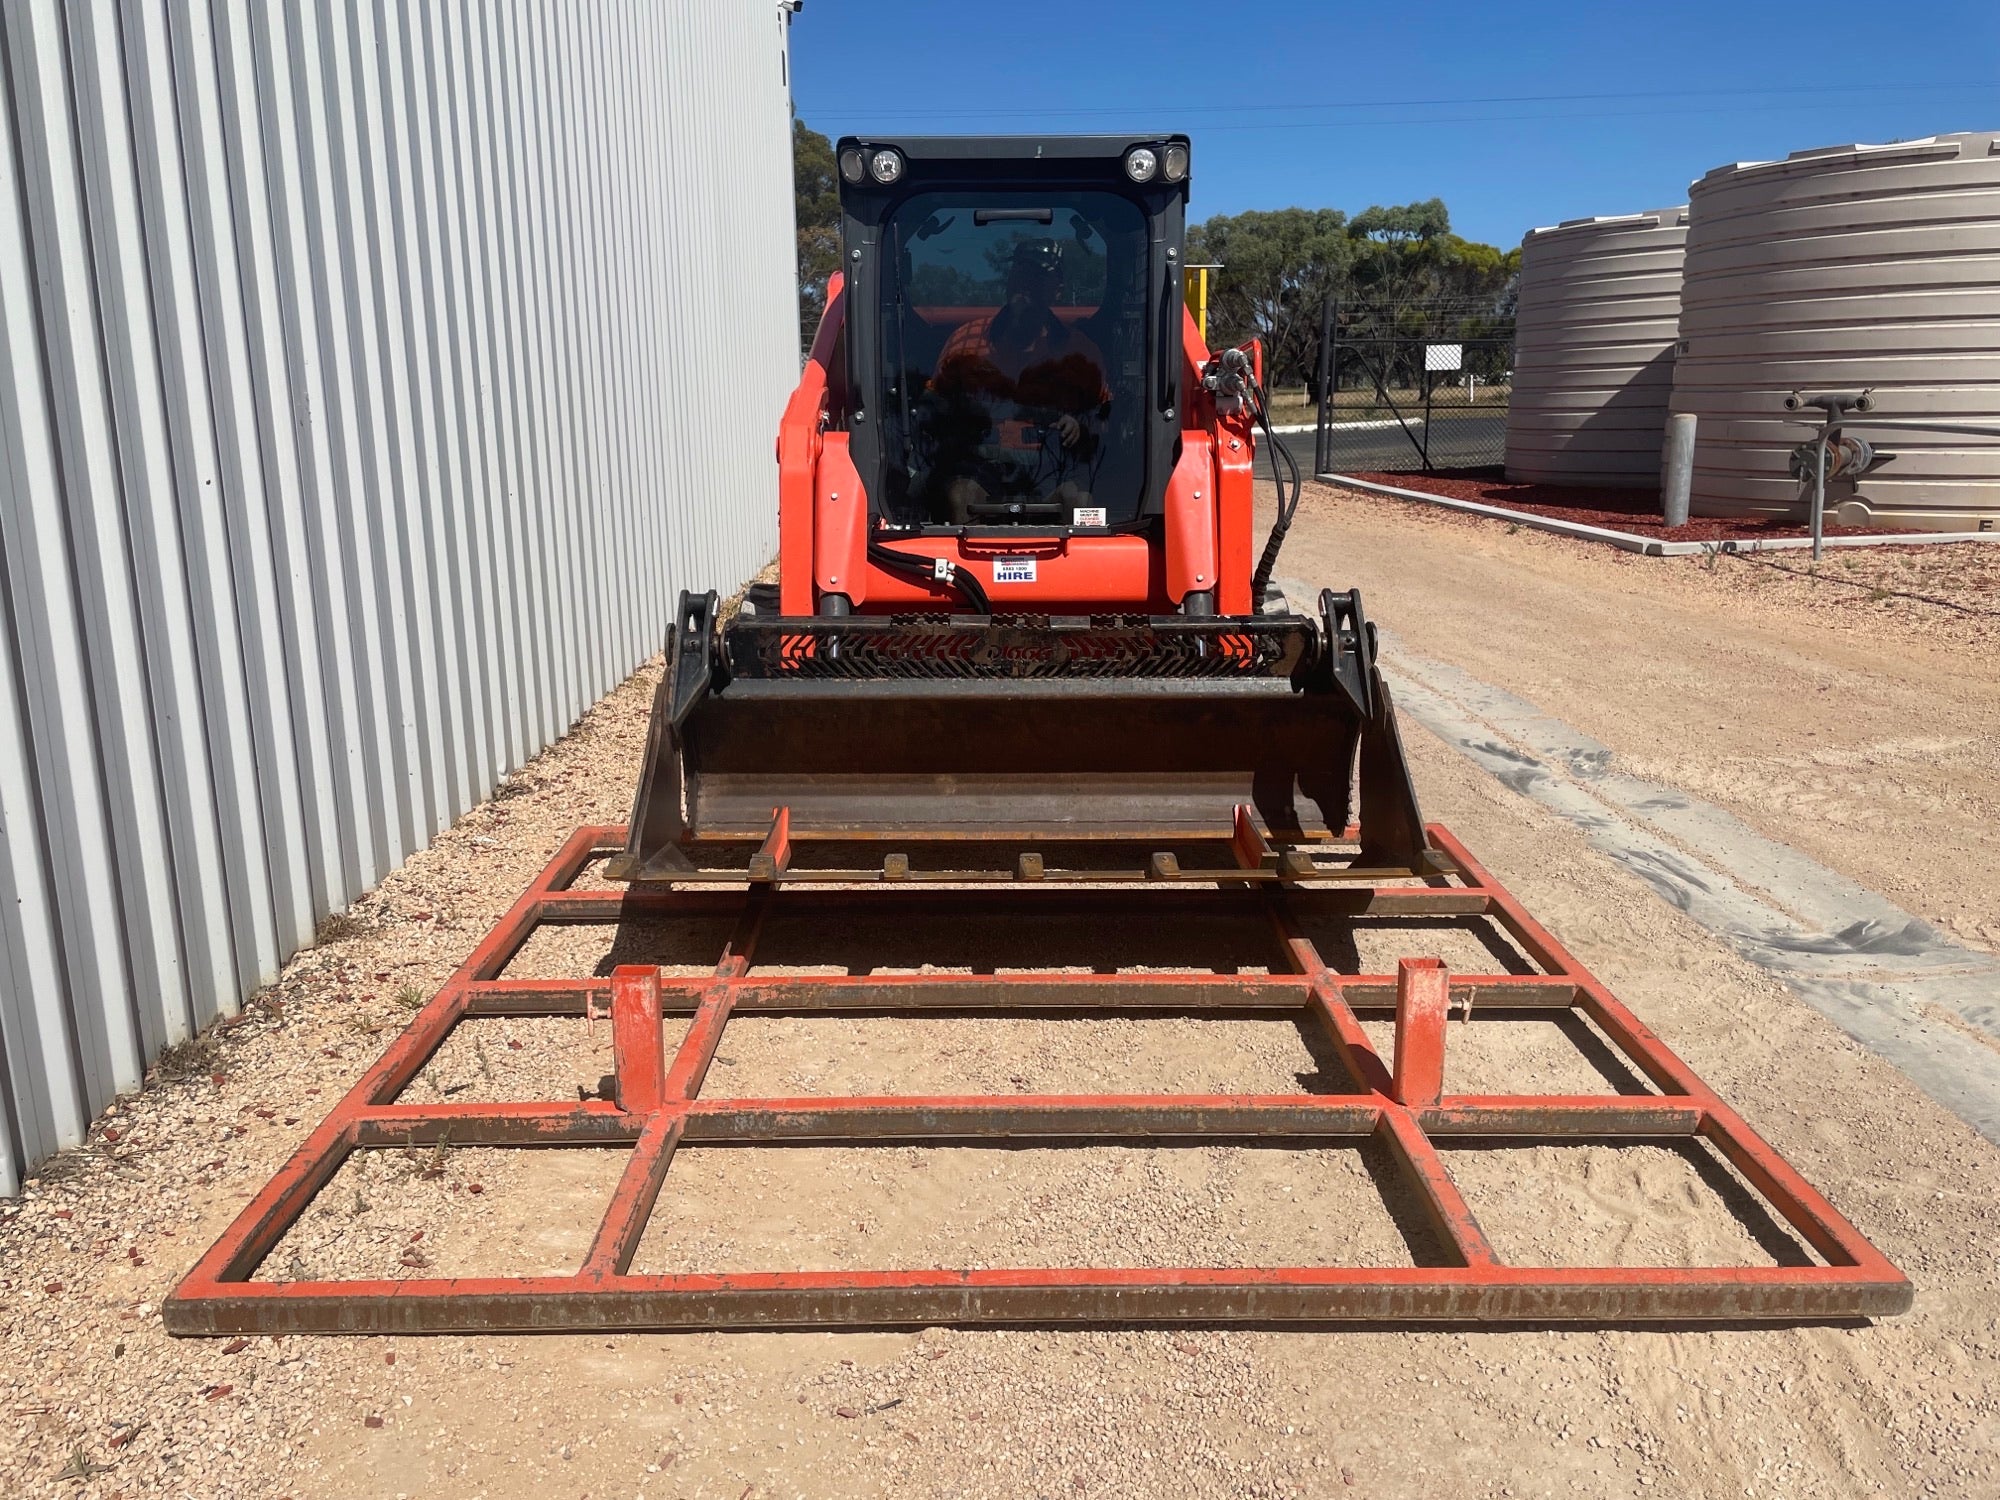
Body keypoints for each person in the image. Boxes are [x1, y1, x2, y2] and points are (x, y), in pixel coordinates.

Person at [928, 238, 1109, 521]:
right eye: (1019, 274)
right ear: (1009, 281)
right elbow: (932, 411)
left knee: (1081, 502)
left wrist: (1080, 425)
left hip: (1052, 471)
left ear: (1057, 290)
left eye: (1038, 277)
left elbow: (1105, 420)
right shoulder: (964, 344)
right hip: (980, 467)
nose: (1026, 284)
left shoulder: (1082, 353)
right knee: (960, 495)